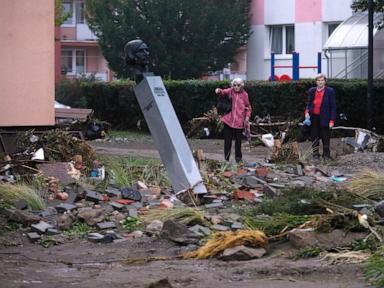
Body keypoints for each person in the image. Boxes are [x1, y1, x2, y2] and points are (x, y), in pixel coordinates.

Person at [215, 78, 252, 163]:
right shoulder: (231, 91)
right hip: (228, 120)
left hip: (239, 122)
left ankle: (238, 159)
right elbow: (223, 92)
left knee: (238, 142)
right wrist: (218, 90)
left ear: (241, 86)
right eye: (234, 85)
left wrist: (247, 118)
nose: (236, 87)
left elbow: (248, 108)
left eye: (238, 85)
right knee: (227, 141)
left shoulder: (245, 95)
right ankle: (226, 159)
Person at [304, 73, 336, 160]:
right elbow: (309, 103)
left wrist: (332, 120)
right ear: (316, 82)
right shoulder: (312, 90)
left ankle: (326, 155)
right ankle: (315, 154)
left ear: (325, 81)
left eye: (322, 80)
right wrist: (306, 112)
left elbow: (333, 107)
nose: (320, 82)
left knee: (325, 136)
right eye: (318, 80)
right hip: (314, 117)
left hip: (325, 118)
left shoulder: (330, 91)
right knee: (314, 136)